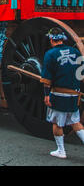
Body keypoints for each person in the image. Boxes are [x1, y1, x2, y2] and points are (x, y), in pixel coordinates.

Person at [41, 27, 84, 159]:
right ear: (63, 39)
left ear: (51, 39)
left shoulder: (50, 54)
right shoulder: (76, 52)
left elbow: (47, 79)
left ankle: (61, 150)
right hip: (74, 94)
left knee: (57, 123)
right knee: (75, 122)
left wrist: (47, 94)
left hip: (59, 93)